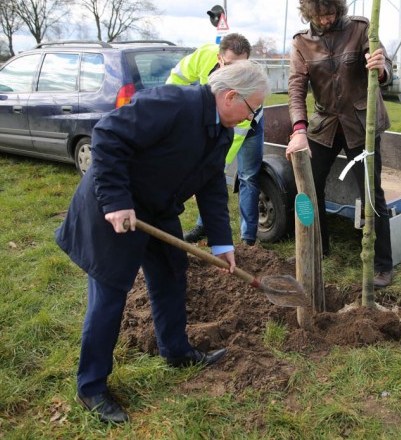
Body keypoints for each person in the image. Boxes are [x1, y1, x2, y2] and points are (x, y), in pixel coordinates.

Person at [55, 60, 270, 423]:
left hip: (157, 208)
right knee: (109, 294)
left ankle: (175, 350)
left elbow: (211, 185)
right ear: (231, 96)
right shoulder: (174, 104)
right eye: (253, 110)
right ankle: (91, 386)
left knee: (172, 274)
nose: (252, 120)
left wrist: (222, 243)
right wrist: (117, 201)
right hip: (115, 206)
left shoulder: (220, 132)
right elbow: (107, 134)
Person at [285, 0, 395, 289]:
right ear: (310, 13)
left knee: (372, 194)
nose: (326, 18)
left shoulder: (360, 29)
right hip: (324, 126)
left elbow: (384, 63)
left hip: (361, 124)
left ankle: (382, 264)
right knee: (307, 187)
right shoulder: (301, 42)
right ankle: (319, 248)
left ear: (338, 7)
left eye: (330, 12)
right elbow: (296, 89)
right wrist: (299, 129)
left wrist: (381, 68)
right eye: (319, 15)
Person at [167, 33, 264, 247]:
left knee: (247, 176)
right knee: (208, 176)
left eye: (241, 66)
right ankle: (205, 225)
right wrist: (169, 104)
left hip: (245, 122)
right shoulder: (204, 56)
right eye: (229, 65)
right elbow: (178, 77)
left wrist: (212, 169)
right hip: (216, 114)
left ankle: (248, 239)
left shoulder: (247, 94)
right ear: (219, 58)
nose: (234, 73)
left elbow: (232, 141)